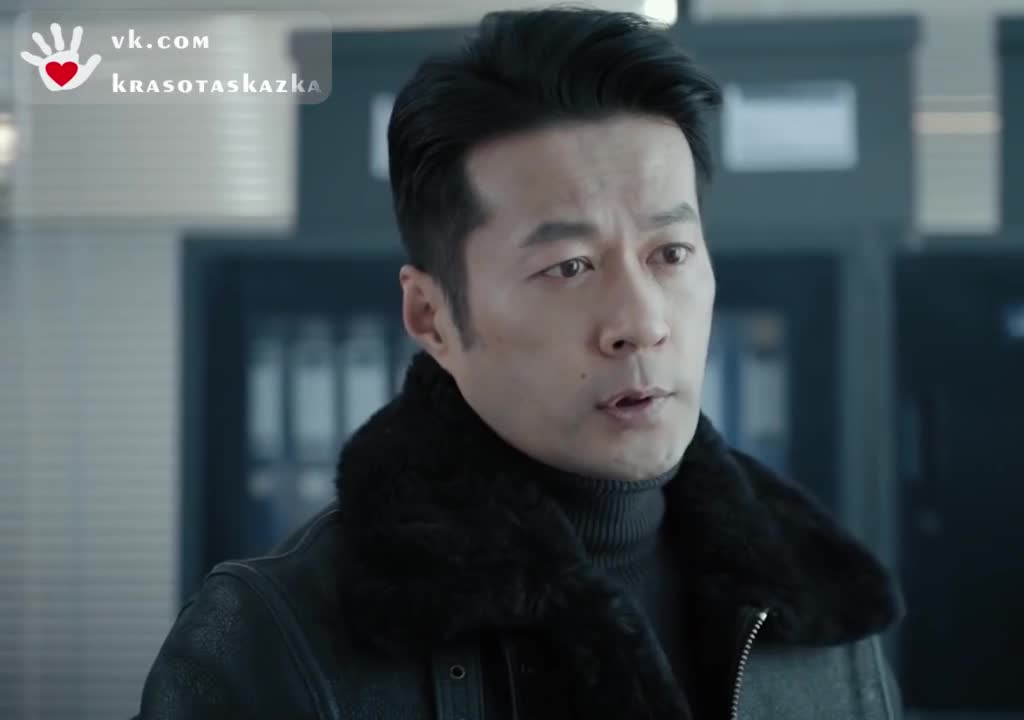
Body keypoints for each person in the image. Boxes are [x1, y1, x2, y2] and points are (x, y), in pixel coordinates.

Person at [134, 7, 904, 719]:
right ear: (431, 316)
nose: (640, 324)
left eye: (670, 253)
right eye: (569, 266)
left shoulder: (817, 613)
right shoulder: (275, 643)